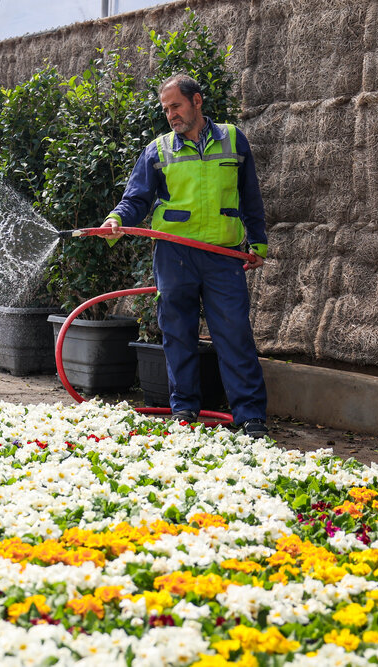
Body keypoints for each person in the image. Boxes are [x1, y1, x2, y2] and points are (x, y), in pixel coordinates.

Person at [101, 74, 269, 439]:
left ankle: (250, 416)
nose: (171, 115)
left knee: (234, 334)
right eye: (165, 109)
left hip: (223, 254)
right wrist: (116, 219)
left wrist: (257, 244)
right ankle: (184, 412)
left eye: (176, 106)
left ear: (197, 101)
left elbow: (250, 196)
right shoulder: (158, 150)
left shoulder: (233, 140)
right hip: (175, 254)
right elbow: (136, 199)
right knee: (178, 333)